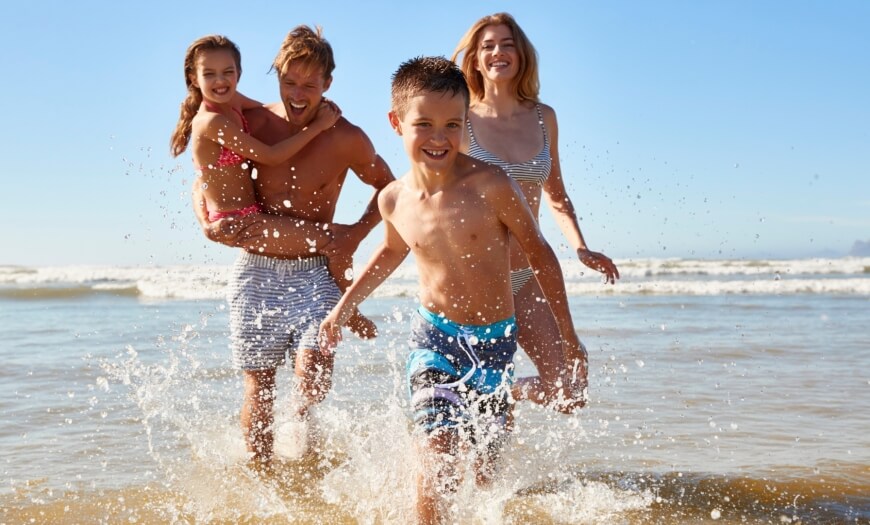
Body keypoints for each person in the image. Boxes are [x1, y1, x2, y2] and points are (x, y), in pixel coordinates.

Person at [318, 56, 582, 525]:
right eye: (424, 124)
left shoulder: (492, 184)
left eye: (452, 125)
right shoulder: (393, 199)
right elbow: (390, 252)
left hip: (496, 342)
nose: (438, 138)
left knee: (484, 477)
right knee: (438, 456)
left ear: (465, 123)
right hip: (435, 340)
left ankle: (509, 397)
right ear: (396, 122)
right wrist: (342, 309)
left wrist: (568, 335)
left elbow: (540, 255)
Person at [187, 27, 394, 466]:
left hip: (315, 271)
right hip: (256, 271)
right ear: (276, 75)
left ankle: (304, 451)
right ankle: (263, 478)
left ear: (328, 84)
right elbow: (205, 170)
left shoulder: (346, 137)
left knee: (312, 379)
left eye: (310, 85)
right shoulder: (254, 122)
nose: (298, 95)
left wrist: (356, 233)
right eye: (289, 82)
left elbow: (390, 189)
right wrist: (205, 219)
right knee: (259, 387)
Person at [452, 13, 620, 412]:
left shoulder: (544, 118)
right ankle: (489, 401)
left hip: (526, 275)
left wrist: (580, 247)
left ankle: (505, 394)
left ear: (522, 55)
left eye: (507, 44)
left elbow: (556, 195)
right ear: (475, 59)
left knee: (570, 390)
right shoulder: (460, 120)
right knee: (473, 416)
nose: (498, 52)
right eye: (488, 46)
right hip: (476, 278)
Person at [171, 34, 374, 339]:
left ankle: (347, 306)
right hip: (244, 223)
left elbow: (267, 111)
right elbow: (264, 158)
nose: (220, 81)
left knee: (339, 240)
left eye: (227, 72)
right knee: (335, 239)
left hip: (253, 220)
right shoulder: (212, 121)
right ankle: (350, 310)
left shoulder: (235, 106)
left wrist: (312, 108)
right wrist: (318, 126)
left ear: (239, 73)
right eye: (209, 73)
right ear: (193, 78)